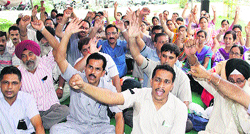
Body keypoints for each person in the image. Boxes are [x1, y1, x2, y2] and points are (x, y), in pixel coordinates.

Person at [50, 18, 124, 134]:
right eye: (90, 67)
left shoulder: (108, 86)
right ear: (85, 68)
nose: (92, 72)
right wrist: (67, 34)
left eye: (97, 69)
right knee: (55, 130)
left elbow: (119, 115)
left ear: (103, 73)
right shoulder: (76, 78)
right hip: (76, 126)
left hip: (100, 127)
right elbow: (60, 59)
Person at [68, 63, 187, 133]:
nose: (161, 86)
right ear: (151, 81)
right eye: (157, 80)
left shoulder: (180, 108)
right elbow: (112, 97)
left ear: (172, 86)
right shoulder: (139, 94)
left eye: (166, 82)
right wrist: (83, 86)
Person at [185, 39, 250, 133]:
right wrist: (191, 56)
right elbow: (198, 70)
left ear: (247, 81)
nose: (235, 85)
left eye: (239, 81)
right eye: (231, 81)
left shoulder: (248, 97)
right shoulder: (220, 89)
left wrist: (210, 76)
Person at [14, 20, 69, 129]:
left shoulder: (45, 63)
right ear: (21, 59)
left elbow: (59, 49)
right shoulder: (18, 72)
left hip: (52, 108)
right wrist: (23, 30)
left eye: (31, 54)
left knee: (66, 110)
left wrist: (43, 29)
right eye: (24, 56)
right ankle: (38, 124)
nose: (28, 59)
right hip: (32, 111)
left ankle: (36, 125)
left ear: (36, 54)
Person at [0, 66, 45, 134]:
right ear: (0, 84)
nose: (9, 87)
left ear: (20, 85)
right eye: (6, 82)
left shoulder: (27, 99)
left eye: (14, 83)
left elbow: (38, 126)